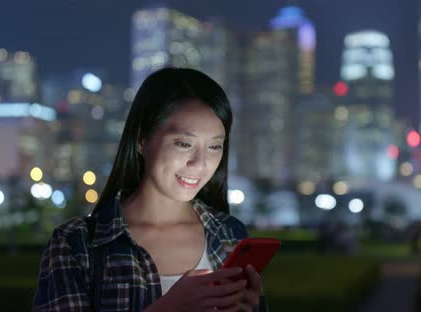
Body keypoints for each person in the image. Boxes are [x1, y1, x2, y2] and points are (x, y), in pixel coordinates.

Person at [33, 67, 267, 311]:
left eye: (214, 147)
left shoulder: (230, 235)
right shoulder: (78, 244)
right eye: (184, 143)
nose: (200, 163)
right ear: (142, 140)